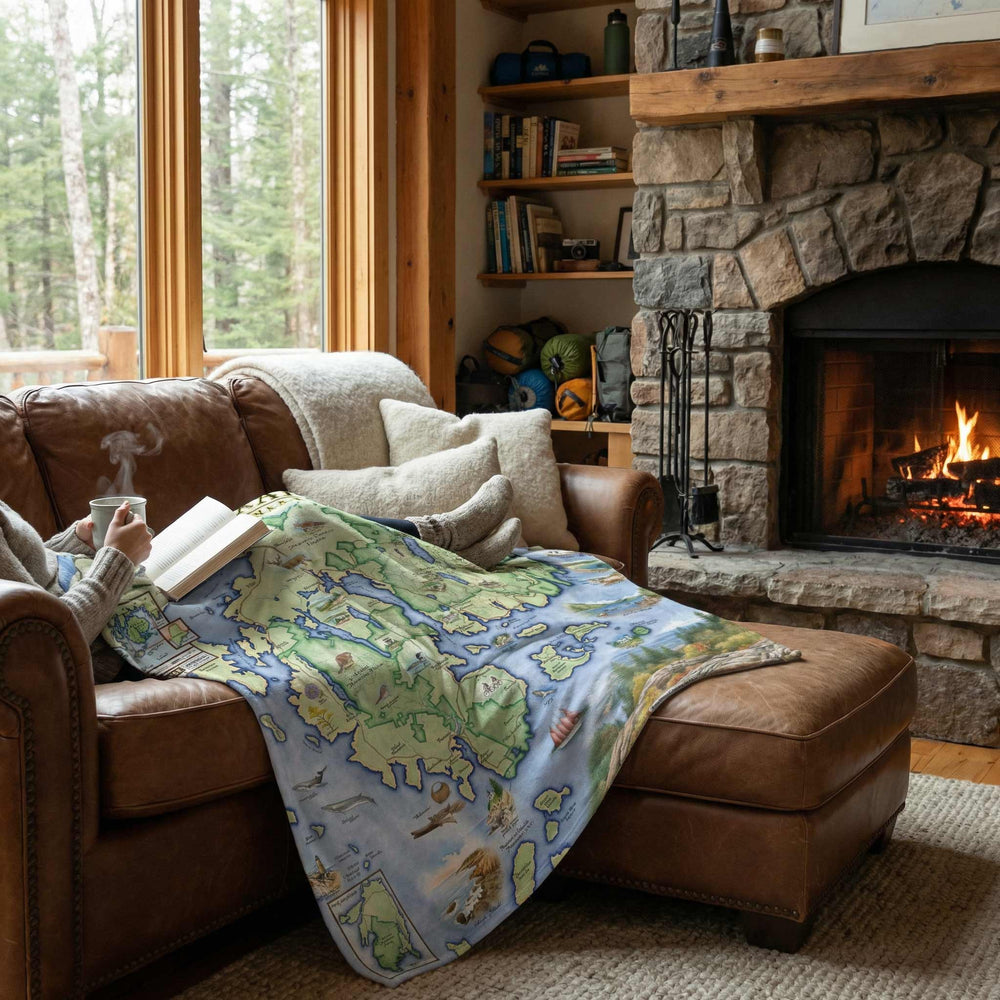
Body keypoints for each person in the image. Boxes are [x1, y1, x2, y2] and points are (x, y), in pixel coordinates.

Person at [0, 476, 519, 680]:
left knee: (277, 518)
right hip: (118, 634)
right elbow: (39, 635)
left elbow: (32, 575)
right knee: (286, 528)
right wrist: (115, 558)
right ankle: (445, 539)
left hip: (111, 588)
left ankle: (447, 546)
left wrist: (78, 539)